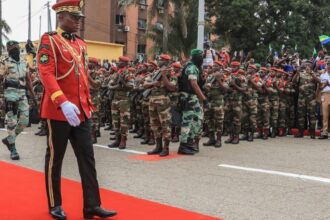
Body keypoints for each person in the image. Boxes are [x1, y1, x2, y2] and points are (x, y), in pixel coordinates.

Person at [37, 0, 117, 219]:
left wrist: (86, 104)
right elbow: (46, 73)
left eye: (80, 18)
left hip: (81, 111)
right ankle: (55, 204)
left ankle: (92, 205)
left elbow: (81, 78)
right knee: (56, 158)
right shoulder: (50, 41)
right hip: (59, 110)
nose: (79, 22)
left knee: (87, 158)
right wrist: (61, 101)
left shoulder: (81, 44)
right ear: (61, 17)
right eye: (74, 18)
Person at [0, 40, 36, 160]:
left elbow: (28, 80)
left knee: (25, 121)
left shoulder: (24, 63)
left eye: (16, 48)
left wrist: (34, 96)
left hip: (22, 95)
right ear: (9, 50)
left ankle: (9, 139)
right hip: (10, 96)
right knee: (12, 122)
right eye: (12, 49)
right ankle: (13, 149)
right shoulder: (4, 63)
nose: (15, 50)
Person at [178, 49, 208, 155]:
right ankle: (183, 145)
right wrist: (204, 98)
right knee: (187, 121)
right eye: (200, 56)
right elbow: (194, 84)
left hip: (192, 98)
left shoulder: (195, 67)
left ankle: (189, 142)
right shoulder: (191, 67)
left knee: (197, 120)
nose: (202, 59)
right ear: (195, 57)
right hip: (188, 98)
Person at [319, 61, 330, 139]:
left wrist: (328, 84)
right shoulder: (322, 75)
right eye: (328, 65)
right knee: (325, 115)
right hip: (325, 94)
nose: (329, 67)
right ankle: (325, 132)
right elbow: (320, 87)